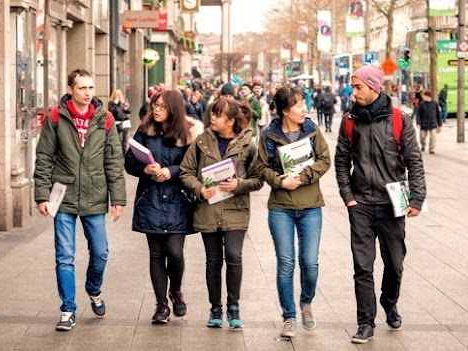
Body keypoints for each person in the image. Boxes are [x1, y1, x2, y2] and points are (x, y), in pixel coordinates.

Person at [334, 63, 426, 344]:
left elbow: (414, 161)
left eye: (358, 86)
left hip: (394, 198)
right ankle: (365, 322)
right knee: (362, 266)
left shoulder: (400, 119)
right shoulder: (349, 120)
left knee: (395, 264)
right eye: (352, 85)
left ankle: (389, 300)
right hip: (360, 202)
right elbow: (341, 161)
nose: (353, 91)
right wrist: (348, 196)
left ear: (374, 87)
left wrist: (417, 197)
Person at [34, 68, 126, 331]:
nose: (88, 93)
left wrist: (117, 198)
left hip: (95, 195)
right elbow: (44, 158)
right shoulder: (55, 117)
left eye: (90, 88)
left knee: (100, 252)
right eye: (82, 88)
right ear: (70, 89)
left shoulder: (105, 119)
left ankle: (93, 289)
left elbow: (113, 161)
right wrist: (42, 195)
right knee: (64, 255)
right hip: (62, 196)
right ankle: (67, 309)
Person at [180, 98, 262, 329]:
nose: (212, 118)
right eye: (212, 114)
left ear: (231, 120)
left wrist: (239, 184)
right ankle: (215, 307)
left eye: (217, 114)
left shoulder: (248, 145)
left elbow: (258, 179)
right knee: (213, 261)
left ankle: (233, 307)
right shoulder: (201, 141)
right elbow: (186, 171)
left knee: (234, 256)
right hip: (208, 209)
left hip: (236, 210)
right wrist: (199, 189)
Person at [255, 86, 331, 338]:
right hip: (281, 208)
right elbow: (261, 167)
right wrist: (279, 181)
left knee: (309, 262)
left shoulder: (312, 130)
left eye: (304, 104)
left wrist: (303, 176)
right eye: (298, 105)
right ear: (285, 110)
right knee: (285, 263)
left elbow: (324, 160)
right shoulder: (268, 134)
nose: (304, 109)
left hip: (310, 205)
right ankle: (289, 316)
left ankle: (306, 302)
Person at [125, 90, 203, 324]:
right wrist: (145, 169)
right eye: (154, 105)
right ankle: (161, 305)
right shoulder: (145, 130)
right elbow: (129, 162)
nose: (156, 110)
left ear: (174, 108)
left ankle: (176, 291)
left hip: (179, 200)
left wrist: (172, 171)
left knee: (175, 252)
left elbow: (195, 165)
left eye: (161, 106)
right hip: (151, 198)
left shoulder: (190, 132)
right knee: (156, 254)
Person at [416, 90, 442, 154]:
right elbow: (418, 114)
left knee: (433, 136)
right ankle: (423, 145)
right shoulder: (421, 104)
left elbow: (438, 114)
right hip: (423, 123)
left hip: (433, 123)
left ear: (428, 96)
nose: (423, 97)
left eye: (425, 96)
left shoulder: (434, 103)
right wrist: (418, 123)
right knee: (422, 137)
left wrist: (439, 124)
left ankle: (431, 149)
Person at [108, 89, 131, 153]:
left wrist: (126, 108)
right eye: (116, 94)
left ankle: (124, 153)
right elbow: (110, 111)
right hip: (117, 123)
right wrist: (115, 103)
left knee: (125, 139)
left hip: (125, 122)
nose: (117, 96)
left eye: (118, 94)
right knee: (119, 139)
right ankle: (118, 153)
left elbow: (128, 111)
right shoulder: (111, 103)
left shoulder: (123, 102)